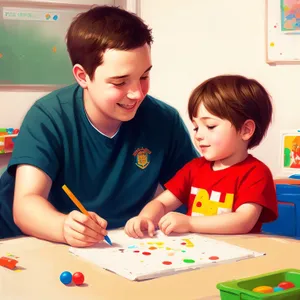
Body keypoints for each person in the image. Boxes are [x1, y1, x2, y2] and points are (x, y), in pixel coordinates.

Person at [0, 6, 199, 246]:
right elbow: (26, 205)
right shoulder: (48, 116)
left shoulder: (165, 120)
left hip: (118, 246)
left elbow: (198, 186)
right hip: (29, 244)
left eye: (144, 77)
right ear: (82, 76)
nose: (137, 93)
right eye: (120, 82)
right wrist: (64, 227)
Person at [125, 75, 278, 238]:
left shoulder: (256, 173)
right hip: (199, 252)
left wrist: (190, 223)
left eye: (210, 126)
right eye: (196, 127)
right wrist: (145, 218)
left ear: (246, 130)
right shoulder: (194, 168)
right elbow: (161, 203)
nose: (198, 135)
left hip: (241, 253)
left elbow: (243, 220)